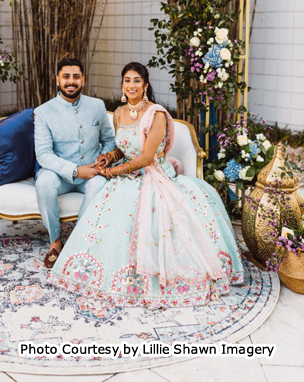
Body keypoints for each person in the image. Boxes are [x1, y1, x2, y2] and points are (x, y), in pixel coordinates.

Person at [47, 62, 244, 308]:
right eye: (127, 80)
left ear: (145, 85)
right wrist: (111, 157)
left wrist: (114, 171)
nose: (131, 85)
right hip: (127, 174)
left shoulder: (156, 113)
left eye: (137, 81)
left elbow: (147, 157)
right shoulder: (118, 113)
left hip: (154, 175)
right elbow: (123, 147)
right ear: (122, 85)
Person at [34, 57, 116, 269]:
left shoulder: (97, 105)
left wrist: (103, 160)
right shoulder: (43, 112)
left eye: (76, 77)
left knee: (100, 185)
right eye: (66, 77)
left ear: (83, 80)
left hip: (93, 171)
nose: (71, 81)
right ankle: (55, 241)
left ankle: (79, 241)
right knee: (44, 183)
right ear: (57, 80)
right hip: (59, 174)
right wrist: (75, 171)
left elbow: (108, 140)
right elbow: (43, 154)